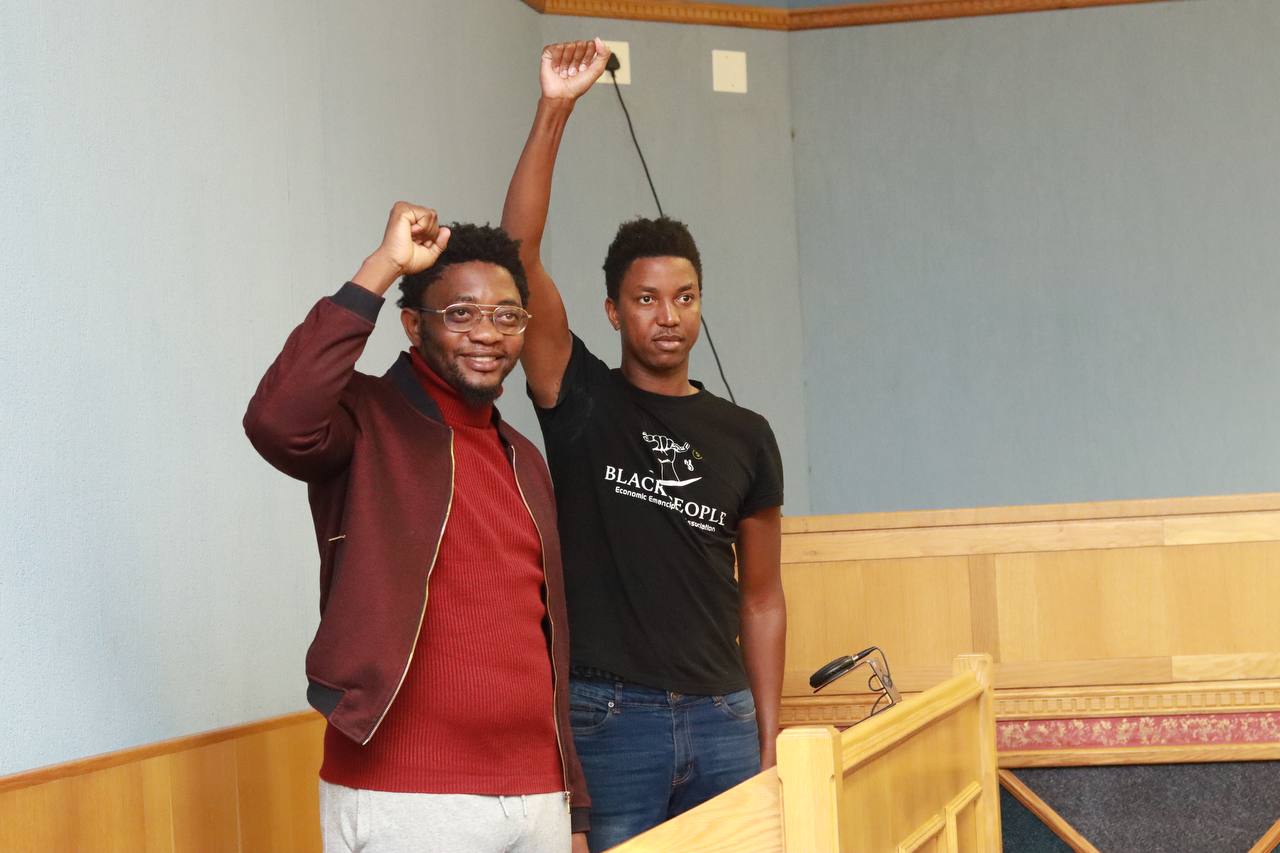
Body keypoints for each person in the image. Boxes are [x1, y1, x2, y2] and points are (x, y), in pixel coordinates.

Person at [501, 40, 787, 852]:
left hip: (725, 717)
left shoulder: (747, 434)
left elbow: (763, 597)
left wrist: (768, 737)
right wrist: (556, 107)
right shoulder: (580, 398)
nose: (669, 316)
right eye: (647, 299)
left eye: (685, 297)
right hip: (609, 716)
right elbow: (516, 258)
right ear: (612, 311)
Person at [244, 202, 590, 853]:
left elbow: (549, 641)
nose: (487, 333)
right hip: (405, 794)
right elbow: (277, 420)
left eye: (506, 315)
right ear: (412, 324)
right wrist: (385, 265)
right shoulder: (364, 418)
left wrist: (574, 806)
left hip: (538, 797)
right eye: (460, 313)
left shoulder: (525, 459)